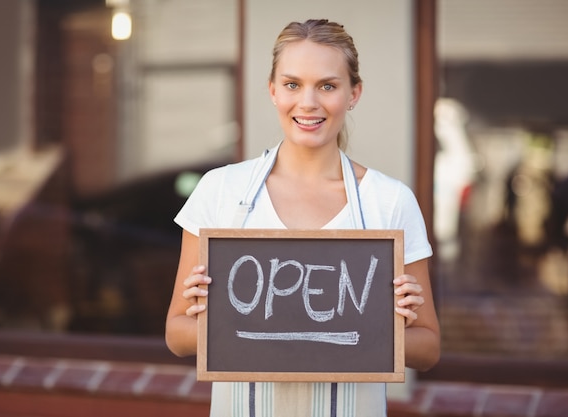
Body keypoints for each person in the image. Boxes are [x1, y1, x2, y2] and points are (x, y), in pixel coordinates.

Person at [166, 19, 440, 417]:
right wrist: (212, 316)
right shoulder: (221, 190)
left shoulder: (389, 201)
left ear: (353, 94)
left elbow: (428, 348)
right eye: (293, 84)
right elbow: (177, 335)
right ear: (273, 90)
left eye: (327, 86)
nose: (308, 102)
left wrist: (388, 322)